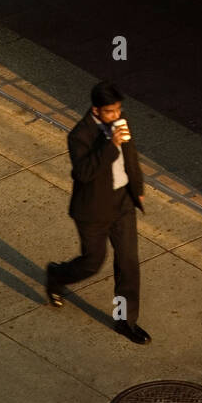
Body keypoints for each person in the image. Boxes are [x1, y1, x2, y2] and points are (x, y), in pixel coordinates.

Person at [45, 81, 151, 344]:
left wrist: (137, 188)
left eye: (118, 109)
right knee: (92, 262)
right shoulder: (79, 136)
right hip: (92, 210)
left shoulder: (120, 120)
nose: (117, 115)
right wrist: (109, 145)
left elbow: (131, 156)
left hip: (122, 203)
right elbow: (84, 173)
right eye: (111, 112)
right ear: (96, 110)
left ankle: (126, 322)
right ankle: (57, 275)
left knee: (128, 262)